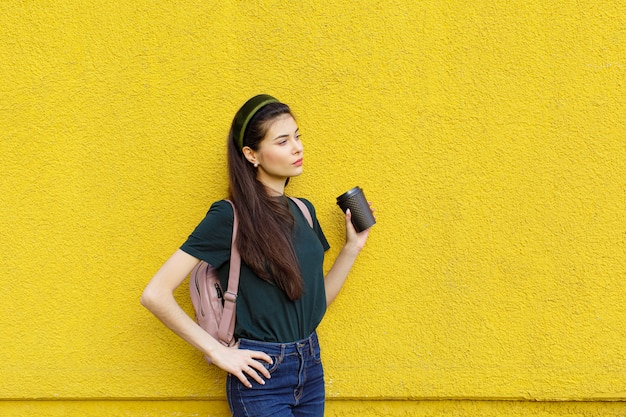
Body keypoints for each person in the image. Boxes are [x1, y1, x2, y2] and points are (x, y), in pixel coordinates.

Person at [141, 94, 374, 417]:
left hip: (310, 366)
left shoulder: (303, 211)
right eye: (282, 141)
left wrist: (352, 248)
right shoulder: (229, 216)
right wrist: (218, 352)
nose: (297, 147)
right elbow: (155, 294)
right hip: (261, 374)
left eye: (297, 136)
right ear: (251, 154)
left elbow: (315, 304)